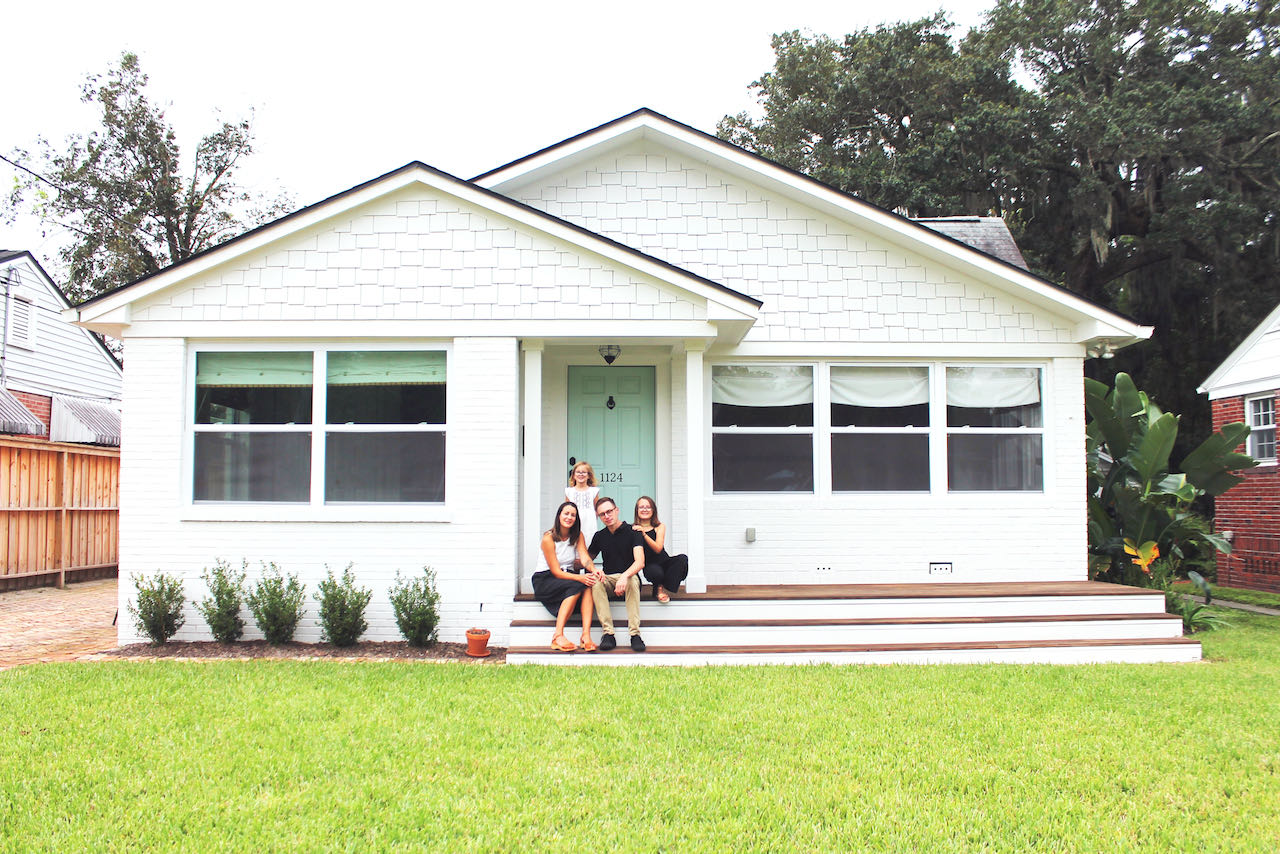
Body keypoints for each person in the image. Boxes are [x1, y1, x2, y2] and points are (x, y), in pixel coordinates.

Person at [531, 501, 599, 652]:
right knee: (579, 584)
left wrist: (594, 570)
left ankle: (586, 636)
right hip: (545, 579)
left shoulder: (577, 535)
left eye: (573, 515)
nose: (569, 517)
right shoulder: (548, 538)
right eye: (566, 513)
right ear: (559, 516)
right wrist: (580, 578)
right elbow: (555, 571)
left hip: (566, 577)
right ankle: (558, 635)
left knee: (587, 585)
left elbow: (585, 558)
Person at [587, 496, 646, 652]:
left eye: (609, 511)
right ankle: (608, 634)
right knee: (596, 581)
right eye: (602, 514)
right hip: (609, 580)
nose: (607, 516)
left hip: (629, 578)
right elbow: (587, 560)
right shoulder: (599, 536)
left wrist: (624, 577)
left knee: (633, 580)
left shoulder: (634, 531)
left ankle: (635, 635)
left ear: (616, 510)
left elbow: (640, 562)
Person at [633, 496, 688, 604]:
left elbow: (658, 549)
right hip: (649, 565)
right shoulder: (633, 529)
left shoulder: (659, 526)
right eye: (641, 507)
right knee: (656, 572)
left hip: (664, 561)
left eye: (648, 507)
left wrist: (643, 534)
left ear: (653, 510)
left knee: (682, 559)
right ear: (637, 510)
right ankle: (658, 588)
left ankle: (660, 587)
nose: (645, 509)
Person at [565, 461, 600, 534]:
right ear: (574, 475)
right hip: (574, 521)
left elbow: (597, 509)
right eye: (578, 472)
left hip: (589, 523)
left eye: (584, 472)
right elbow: (566, 509)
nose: (581, 474)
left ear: (589, 475)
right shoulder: (569, 491)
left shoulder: (593, 491)